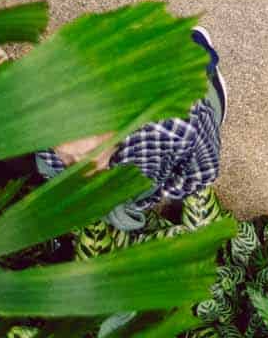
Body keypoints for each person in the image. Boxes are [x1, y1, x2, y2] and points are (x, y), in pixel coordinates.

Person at [35, 26, 227, 231]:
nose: (78, 167)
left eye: (89, 153)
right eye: (67, 157)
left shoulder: (179, 123)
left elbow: (202, 171)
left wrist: (169, 193)